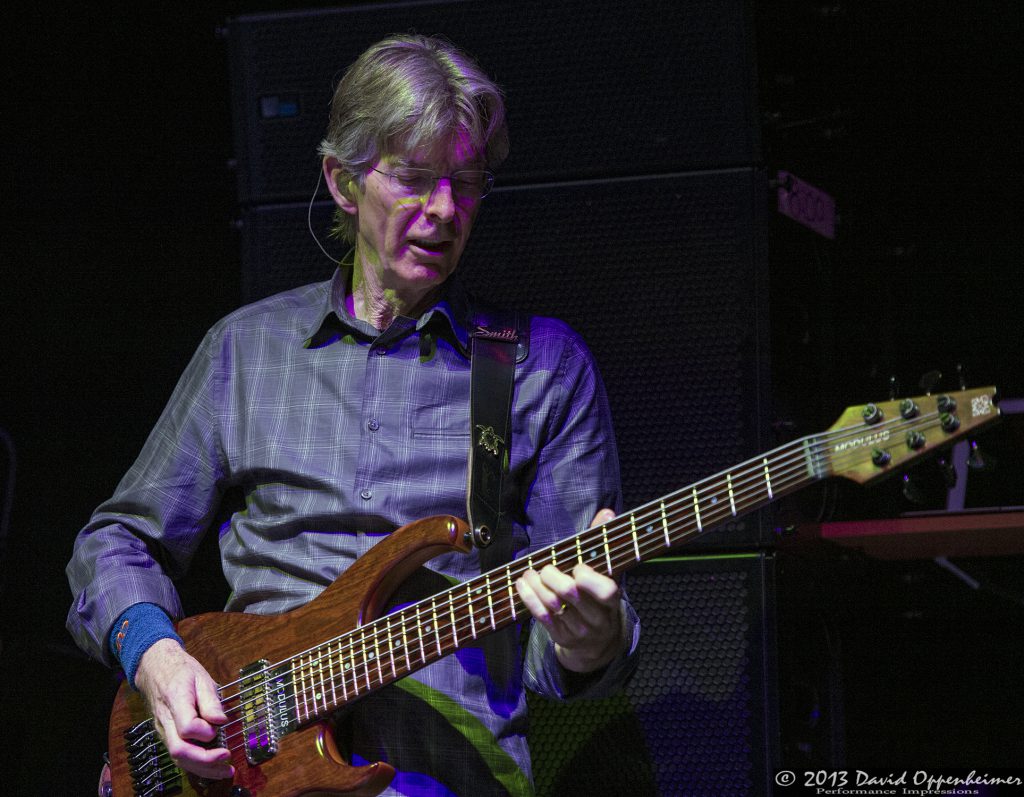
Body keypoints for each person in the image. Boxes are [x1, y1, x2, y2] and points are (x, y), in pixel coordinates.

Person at [67, 34, 639, 796]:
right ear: (343, 181)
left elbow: (551, 659)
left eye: (467, 183)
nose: (445, 211)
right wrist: (157, 656)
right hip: (246, 773)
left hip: (448, 774)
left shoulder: (540, 368)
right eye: (413, 178)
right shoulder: (245, 350)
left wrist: (589, 640)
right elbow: (117, 540)